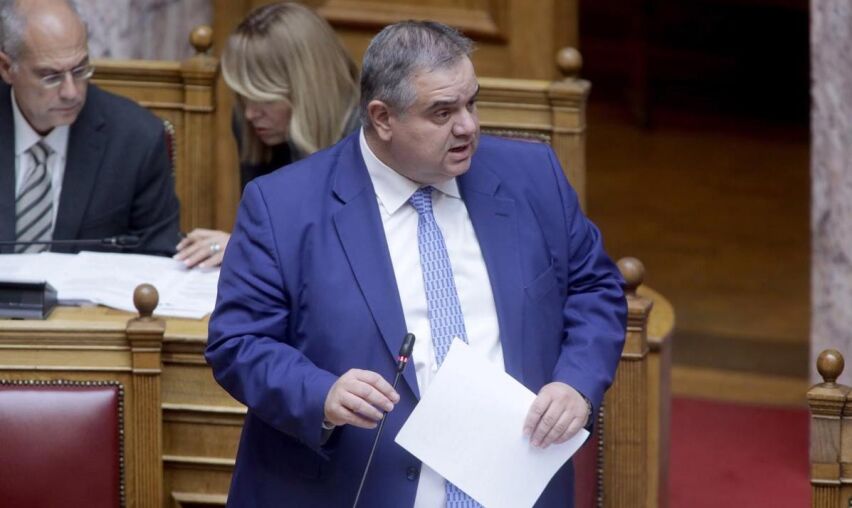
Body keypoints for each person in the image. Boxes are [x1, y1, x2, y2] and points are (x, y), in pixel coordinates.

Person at [206, 20, 626, 508]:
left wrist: (576, 383)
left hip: (514, 485)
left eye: (471, 103)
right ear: (382, 118)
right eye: (442, 112)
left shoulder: (532, 176)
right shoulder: (283, 206)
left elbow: (595, 288)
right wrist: (322, 393)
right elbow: (238, 343)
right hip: (351, 487)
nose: (467, 126)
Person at [174, 1, 359, 268]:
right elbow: (259, 229)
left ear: (307, 90)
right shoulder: (250, 125)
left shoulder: (367, 138)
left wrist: (245, 247)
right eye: (243, 97)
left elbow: (352, 257)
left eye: (265, 99)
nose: (250, 114)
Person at [0, 0, 180, 256]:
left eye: (80, 70)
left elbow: (158, 254)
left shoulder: (136, 139)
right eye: (51, 76)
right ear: (7, 68)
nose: (71, 92)